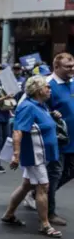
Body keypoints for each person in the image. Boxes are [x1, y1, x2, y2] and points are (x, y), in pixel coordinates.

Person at [1, 75, 62, 238]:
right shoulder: (28, 107)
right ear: (37, 90)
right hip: (35, 156)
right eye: (46, 87)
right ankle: (45, 224)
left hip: (42, 154)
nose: (49, 89)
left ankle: (9, 214)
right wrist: (16, 155)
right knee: (43, 187)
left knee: (27, 185)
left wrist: (53, 116)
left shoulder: (41, 106)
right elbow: (18, 130)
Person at [45, 52, 74, 226]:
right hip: (56, 140)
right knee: (54, 174)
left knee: (69, 172)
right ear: (56, 67)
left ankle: (38, 193)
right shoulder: (47, 84)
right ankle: (49, 212)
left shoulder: (72, 83)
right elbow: (36, 107)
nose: (72, 69)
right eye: (68, 66)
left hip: (73, 139)